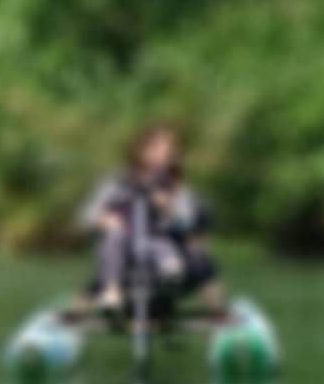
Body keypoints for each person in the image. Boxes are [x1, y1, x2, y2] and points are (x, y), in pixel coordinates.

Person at [78, 124, 222, 317]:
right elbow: (86, 216)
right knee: (110, 255)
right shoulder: (117, 183)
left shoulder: (176, 188)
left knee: (201, 262)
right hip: (125, 252)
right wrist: (103, 219)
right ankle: (82, 312)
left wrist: (169, 209)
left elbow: (189, 224)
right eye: (156, 148)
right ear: (141, 150)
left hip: (166, 252)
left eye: (168, 150)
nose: (163, 154)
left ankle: (218, 313)